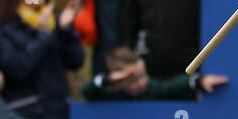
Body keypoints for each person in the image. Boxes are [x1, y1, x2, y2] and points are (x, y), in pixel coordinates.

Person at [80, 46, 227, 101]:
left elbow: (172, 86)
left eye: (142, 76)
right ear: (118, 84)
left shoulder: (151, 88)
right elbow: (86, 92)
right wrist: (107, 80)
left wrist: (200, 81)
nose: (141, 83)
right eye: (133, 81)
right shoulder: (113, 93)